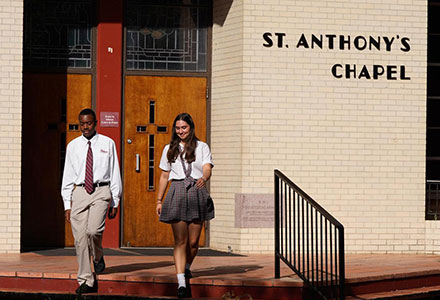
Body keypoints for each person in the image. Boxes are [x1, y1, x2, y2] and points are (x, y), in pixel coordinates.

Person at [61, 108, 122, 294]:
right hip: (79, 192)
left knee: (94, 230)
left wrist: (115, 199)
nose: (85, 127)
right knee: (80, 238)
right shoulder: (73, 146)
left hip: (101, 190)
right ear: (79, 124)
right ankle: (86, 280)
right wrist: (67, 204)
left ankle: (98, 256)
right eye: (82, 123)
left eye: (88, 123)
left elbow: (114, 172)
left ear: (95, 123)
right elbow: (68, 175)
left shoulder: (107, 143)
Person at [156, 113, 214, 298]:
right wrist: (159, 199)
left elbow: (207, 167)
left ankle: (187, 267)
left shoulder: (202, 146)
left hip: (197, 189)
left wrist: (204, 178)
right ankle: (181, 282)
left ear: (191, 128)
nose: (180, 131)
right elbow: (164, 175)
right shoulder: (169, 148)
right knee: (180, 241)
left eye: (184, 127)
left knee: (194, 242)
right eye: (178, 128)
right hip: (177, 190)